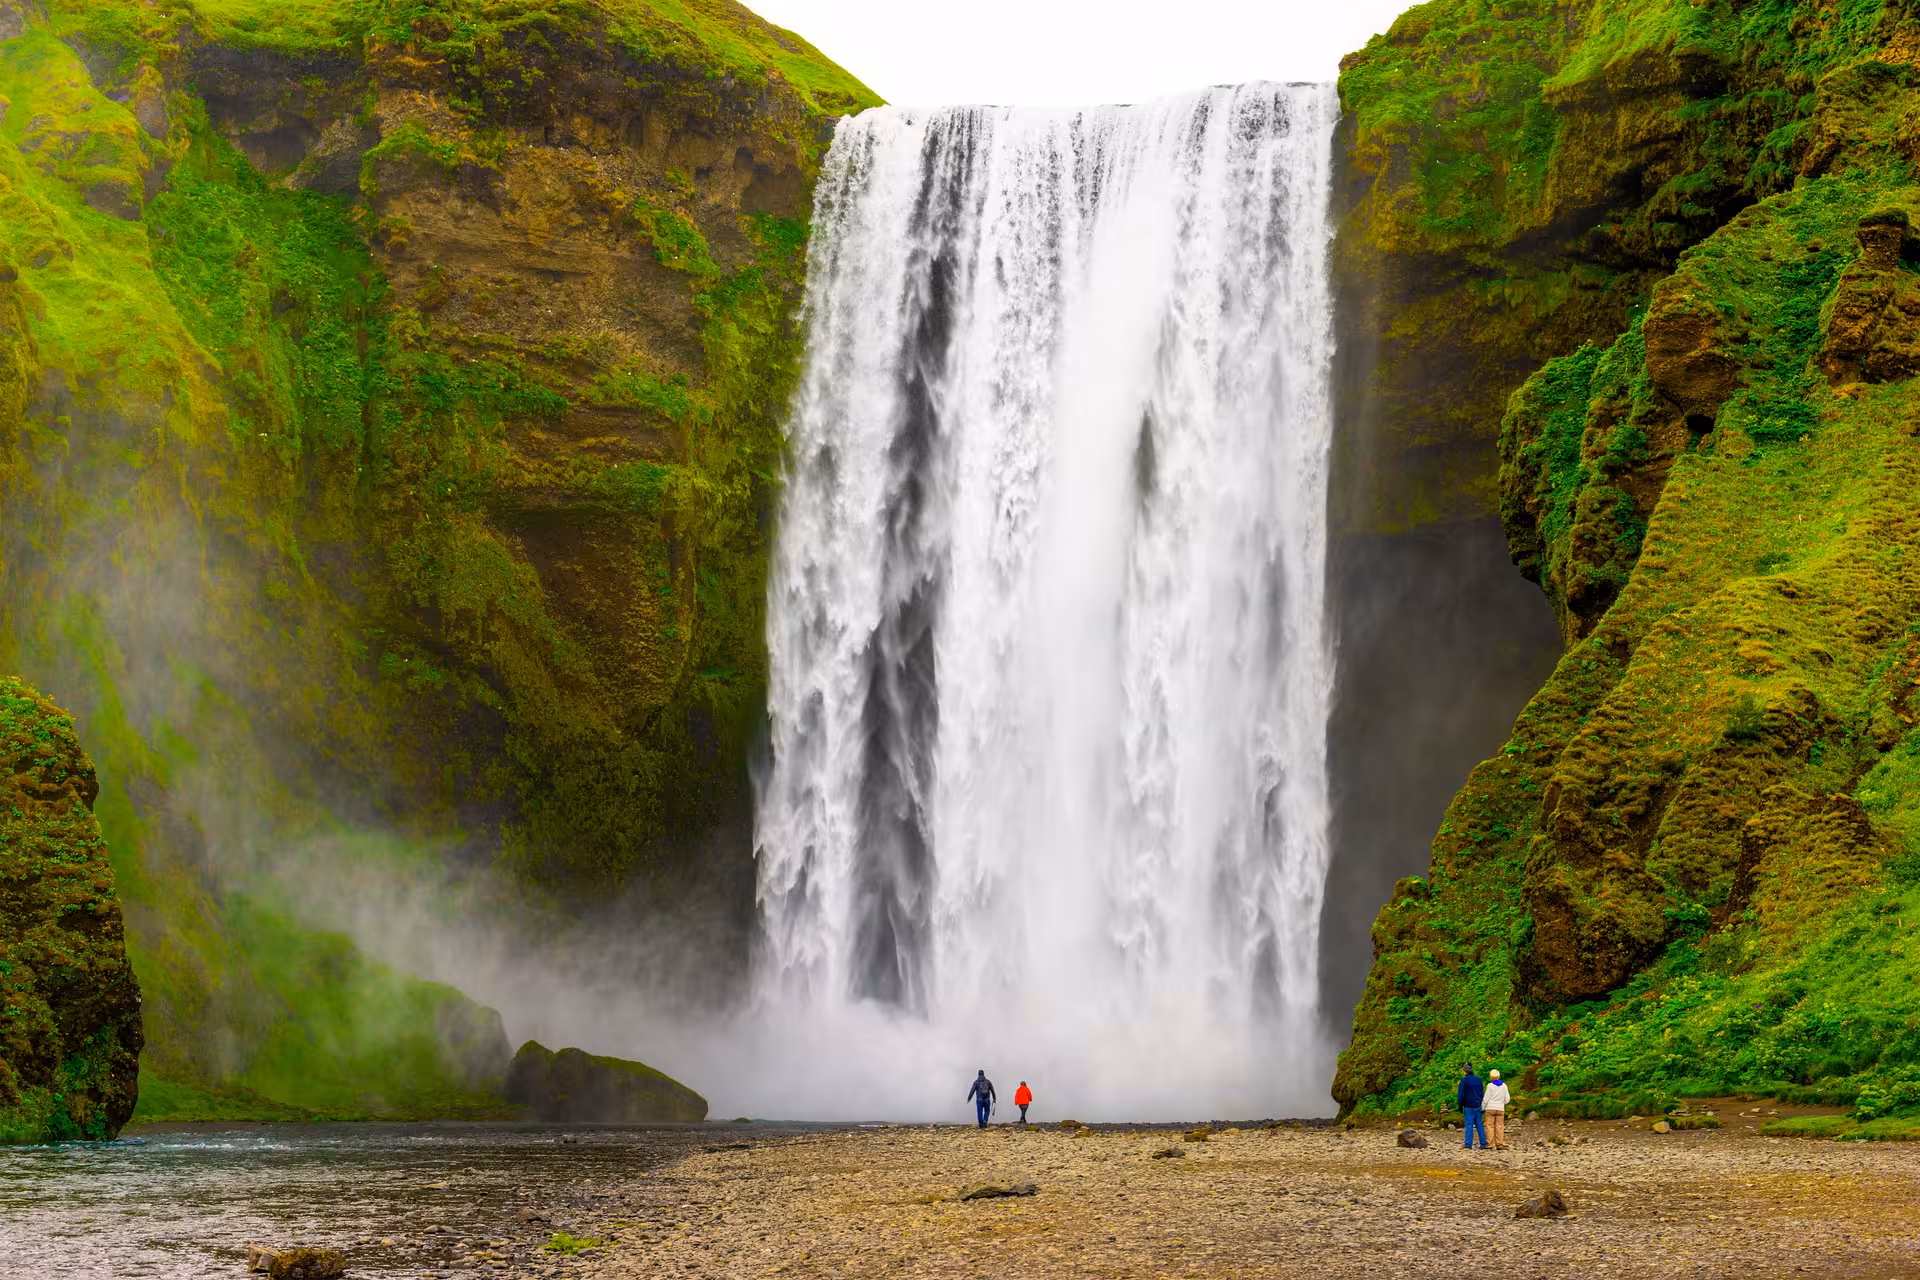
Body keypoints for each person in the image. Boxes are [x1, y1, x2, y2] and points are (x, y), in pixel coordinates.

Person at [1457, 1064, 1488, 1151]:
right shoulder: (1478, 1079)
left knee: (1469, 1125)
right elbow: (1481, 1092)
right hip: (1477, 1105)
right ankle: (1483, 1143)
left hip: (1468, 1105)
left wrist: (1460, 1105)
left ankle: (1468, 1144)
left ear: (1464, 1071)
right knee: (1479, 1125)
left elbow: (1461, 1095)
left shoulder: (1464, 1080)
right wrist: (1481, 1103)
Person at [1483, 1069, 1511, 1150]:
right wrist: (1502, 1104)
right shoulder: (1504, 1085)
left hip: (1490, 1108)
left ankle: (1491, 1144)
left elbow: (1486, 1098)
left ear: (1491, 1077)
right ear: (1499, 1076)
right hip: (1500, 1108)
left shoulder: (1490, 1086)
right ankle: (1499, 1143)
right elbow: (1507, 1099)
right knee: (1500, 1126)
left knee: (1490, 1126)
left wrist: (1482, 1107)